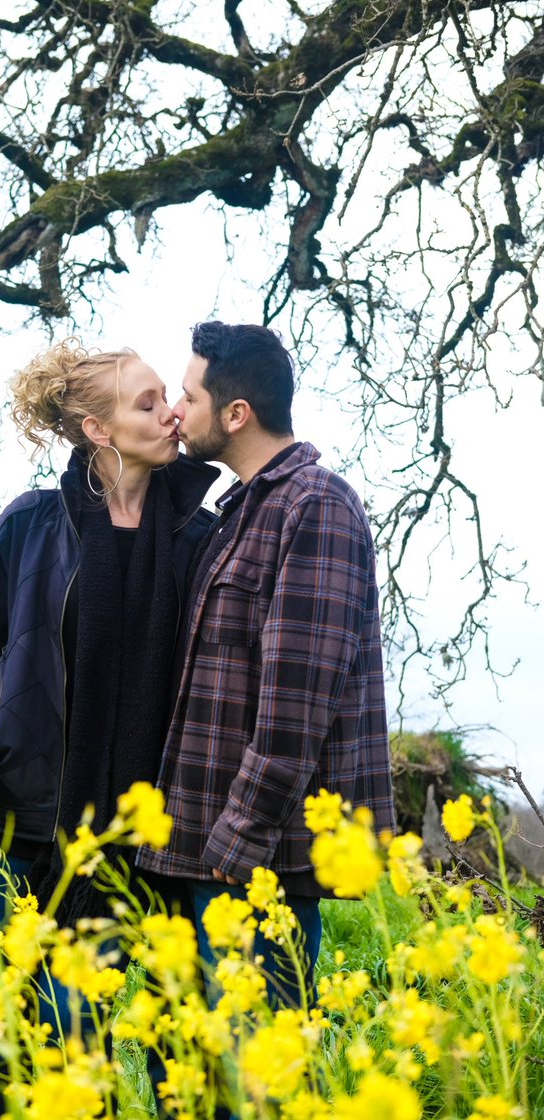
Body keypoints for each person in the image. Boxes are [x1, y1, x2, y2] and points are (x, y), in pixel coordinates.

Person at [0, 338, 218, 1119]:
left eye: (167, 396)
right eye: (146, 401)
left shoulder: (200, 533)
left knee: (174, 1050)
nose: (170, 414)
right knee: (27, 1038)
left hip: (154, 839)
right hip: (30, 826)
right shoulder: (30, 525)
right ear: (97, 429)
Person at [138, 320, 395, 1012]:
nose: (175, 412)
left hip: (254, 865)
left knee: (262, 1083)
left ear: (236, 414)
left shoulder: (313, 505)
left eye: (188, 397)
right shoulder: (238, 512)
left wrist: (235, 844)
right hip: (199, 853)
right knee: (202, 1083)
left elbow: (294, 706)